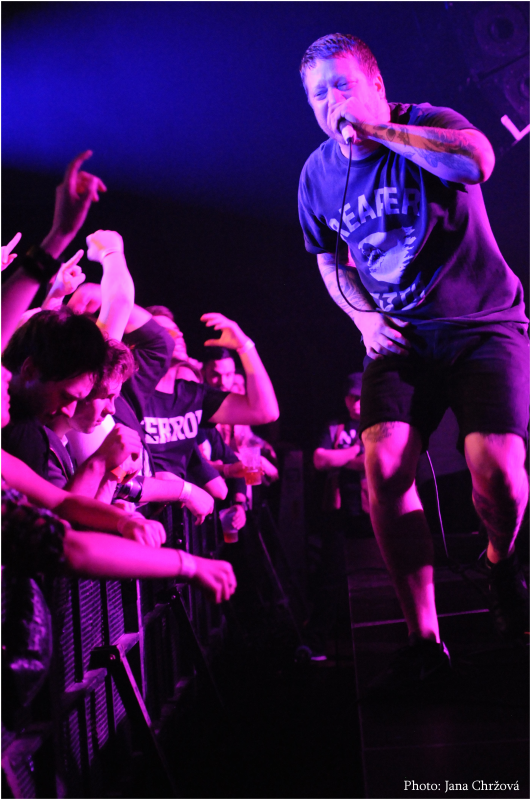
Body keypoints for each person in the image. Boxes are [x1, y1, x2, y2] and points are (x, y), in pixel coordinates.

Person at [298, 33, 529, 687]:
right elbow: (328, 262)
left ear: (375, 85)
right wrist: (364, 319)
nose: (332, 102)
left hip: (483, 324)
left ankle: (499, 560)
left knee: (499, 473)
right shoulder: (317, 174)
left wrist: (378, 132)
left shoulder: (426, 121)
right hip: (402, 339)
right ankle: (423, 638)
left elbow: (476, 161)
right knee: (382, 465)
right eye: (318, 94)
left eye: (343, 85)